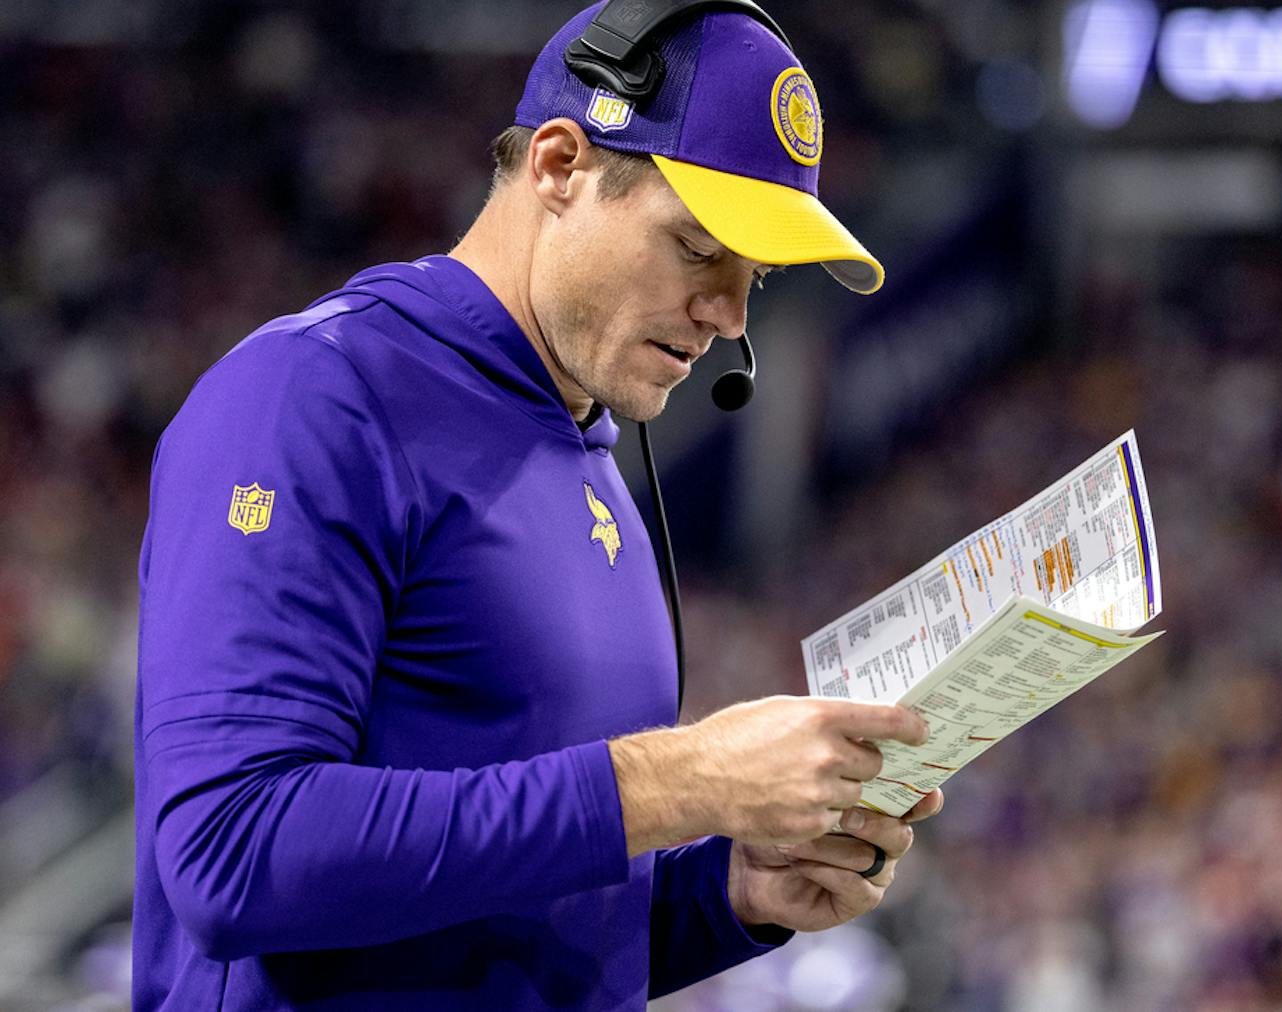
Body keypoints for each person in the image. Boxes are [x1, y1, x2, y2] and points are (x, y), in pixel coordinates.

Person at [132, 3, 944, 1009]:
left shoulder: (590, 458)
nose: (730, 313)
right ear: (558, 165)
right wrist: (675, 783)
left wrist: (728, 892)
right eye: (698, 247)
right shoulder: (312, 397)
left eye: (757, 275)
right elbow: (230, 852)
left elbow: (535, 929)